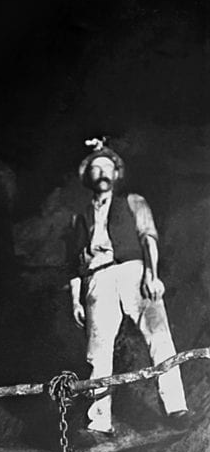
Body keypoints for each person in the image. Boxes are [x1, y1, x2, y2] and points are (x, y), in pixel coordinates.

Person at [70, 139, 189, 436]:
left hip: (132, 271)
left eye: (107, 167)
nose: (102, 173)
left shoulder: (133, 202)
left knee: (159, 337)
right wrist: (76, 300)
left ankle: (176, 408)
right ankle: (99, 421)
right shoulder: (80, 217)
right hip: (97, 278)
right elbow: (72, 264)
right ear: (88, 177)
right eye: (96, 168)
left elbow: (148, 237)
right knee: (98, 351)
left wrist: (152, 274)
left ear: (116, 173)